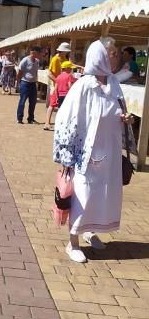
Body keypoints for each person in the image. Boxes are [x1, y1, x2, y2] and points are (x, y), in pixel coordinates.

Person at [53, 38, 134, 263]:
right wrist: (66, 155)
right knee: (83, 196)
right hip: (85, 156)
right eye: (112, 53)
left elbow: (116, 110)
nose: (116, 57)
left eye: (117, 53)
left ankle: (90, 231)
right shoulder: (84, 85)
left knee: (101, 195)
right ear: (99, 56)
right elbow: (66, 120)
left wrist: (124, 118)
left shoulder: (113, 83)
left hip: (109, 152)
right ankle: (73, 242)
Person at [44, 42, 70, 130]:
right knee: (52, 104)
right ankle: (47, 123)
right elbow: (50, 73)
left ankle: (59, 122)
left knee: (60, 104)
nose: (66, 53)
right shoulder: (55, 59)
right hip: (56, 85)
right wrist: (58, 81)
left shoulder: (64, 58)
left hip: (61, 86)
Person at [16, 45, 42, 123]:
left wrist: (36, 82)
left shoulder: (37, 61)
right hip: (25, 83)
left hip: (33, 84)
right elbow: (20, 72)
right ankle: (19, 118)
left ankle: (30, 118)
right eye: (38, 53)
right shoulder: (25, 60)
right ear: (33, 52)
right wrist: (19, 82)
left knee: (33, 102)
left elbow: (36, 72)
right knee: (22, 101)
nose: (39, 55)